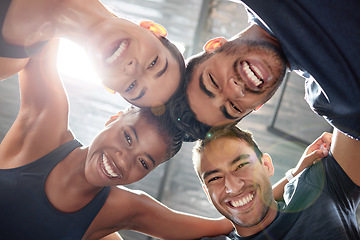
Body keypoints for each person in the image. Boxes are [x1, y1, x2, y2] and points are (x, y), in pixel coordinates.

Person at [0, 39, 235, 239]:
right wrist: (129, 38)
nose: (123, 162)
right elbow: (46, 18)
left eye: (144, 163)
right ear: (113, 118)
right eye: (128, 138)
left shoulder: (123, 209)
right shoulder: (45, 124)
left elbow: (228, 224)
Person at [170, 0, 360, 140]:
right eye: (234, 107)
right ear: (258, 106)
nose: (236, 90)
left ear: (215, 45)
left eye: (213, 82)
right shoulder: (339, 104)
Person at [0, 0, 185, 107]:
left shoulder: (7, 61)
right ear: (152, 29)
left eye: (131, 87)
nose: (132, 69)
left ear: (107, 85)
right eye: (153, 63)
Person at [192, 125, 360, 239]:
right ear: (207, 193)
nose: (233, 186)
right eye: (215, 178)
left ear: (266, 165)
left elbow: (351, 107)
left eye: (241, 165)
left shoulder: (315, 186)